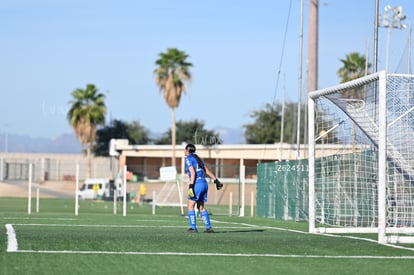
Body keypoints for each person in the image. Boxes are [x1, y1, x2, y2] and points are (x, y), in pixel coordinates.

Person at [184, 143, 223, 233]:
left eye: (185, 150)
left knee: (190, 205)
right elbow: (207, 171)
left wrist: (191, 186)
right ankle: (209, 228)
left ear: (187, 151)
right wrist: (216, 181)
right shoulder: (199, 159)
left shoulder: (188, 159)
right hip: (204, 184)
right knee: (200, 207)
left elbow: (193, 173)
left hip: (197, 184)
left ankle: (193, 228)